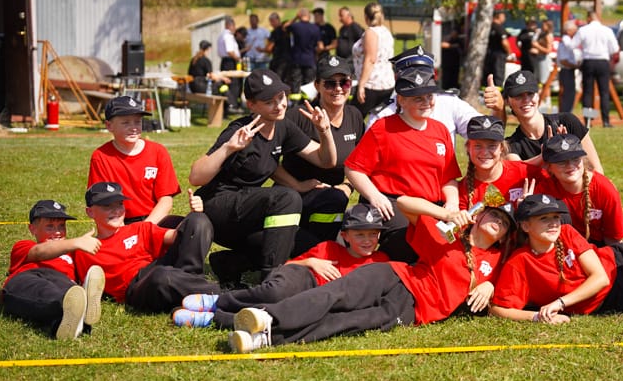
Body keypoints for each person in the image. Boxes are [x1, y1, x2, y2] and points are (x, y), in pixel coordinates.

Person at [225, 197, 515, 352]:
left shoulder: (499, 259)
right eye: (493, 214)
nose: (496, 222)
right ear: (479, 216)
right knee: (335, 295)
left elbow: (507, 291)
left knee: (348, 322)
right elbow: (404, 203)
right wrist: (446, 214)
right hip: (395, 276)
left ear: (505, 237)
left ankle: (263, 338)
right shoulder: (446, 236)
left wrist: (488, 284)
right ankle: (267, 318)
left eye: (503, 223)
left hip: (412, 310)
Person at [189, 70, 337, 287]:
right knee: (287, 198)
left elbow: (325, 161)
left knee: (302, 243)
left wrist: (324, 132)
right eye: (269, 101)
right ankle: (272, 281)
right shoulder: (240, 130)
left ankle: (230, 263)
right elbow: (195, 176)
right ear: (252, 105)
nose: (279, 105)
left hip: (247, 212)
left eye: (281, 98)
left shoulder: (283, 126)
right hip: (218, 209)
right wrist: (229, 148)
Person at [172, 204, 390, 329]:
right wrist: (310, 262)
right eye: (359, 234)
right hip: (302, 280)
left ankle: (211, 319)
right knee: (275, 292)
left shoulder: (381, 261)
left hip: (318, 301)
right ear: (345, 236)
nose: (367, 240)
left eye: (373, 234)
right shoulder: (329, 249)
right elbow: (284, 267)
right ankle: (217, 301)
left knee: (283, 315)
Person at [490, 194, 623, 325]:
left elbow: (600, 277)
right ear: (525, 226)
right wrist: (537, 317)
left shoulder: (566, 232)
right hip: (616, 297)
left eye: (555, 217)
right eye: (543, 218)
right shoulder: (520, 262)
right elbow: (499, 309)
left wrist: (560, 304)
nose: (553, 223)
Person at [345, 65, 462, 263]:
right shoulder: (383, 127)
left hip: (433, 207)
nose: (426, 103)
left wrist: (452, 203)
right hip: (393, 204)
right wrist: (375, 196)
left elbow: (449, 177)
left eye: (429, 97)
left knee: (452, 248)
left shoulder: (440, 130)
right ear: (401, 100)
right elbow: (354, 168)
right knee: (410, 244)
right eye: (418, 98)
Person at [73, 182, 219, 313]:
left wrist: (194, 215)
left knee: (198, 221)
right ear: (90, 212)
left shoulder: (139, 228)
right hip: (138, 287)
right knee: (161, 276)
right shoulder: (84, 248)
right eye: (107, 206)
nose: (116, 210)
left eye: (119, 204)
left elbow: (177, 236)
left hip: (159, 269)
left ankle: (190, 289)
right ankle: (221, 296)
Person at [272, 56, 365, 245]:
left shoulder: (355, 116)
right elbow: (267, 159)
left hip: (332, 200)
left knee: (335, 201)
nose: (338, 89)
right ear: (317, 85)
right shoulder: (296, 117)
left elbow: (362, 162)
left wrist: (347, 186)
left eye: (344, 82)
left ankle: (322, 248)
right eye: (330, 83)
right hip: (292, 199)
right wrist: (296, 185)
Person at [1, 200, 104, 340]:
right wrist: (75, 242)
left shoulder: (73, 254)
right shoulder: (23, 246)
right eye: (50, 226)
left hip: (63, 282)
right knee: (43, 291)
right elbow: (39, 252)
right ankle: (76, 311)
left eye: (61, 226)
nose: (57, 232)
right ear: (32, 229)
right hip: (28, 277)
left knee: (69, 290)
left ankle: (73, 312)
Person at [486, 69, 604, 173]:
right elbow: (517, 169)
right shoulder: (512, 146)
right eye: (518, 96)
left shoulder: (567, 122)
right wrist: (545, 156)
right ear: (507, 101)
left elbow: (597, 170)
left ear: (538, 95)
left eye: (530, 93)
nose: (526, 100)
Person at [88, 96, 181, 226]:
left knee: (195, 224)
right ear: (109, 126)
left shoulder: (158, 151)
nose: (133, 128)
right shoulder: (101, 157)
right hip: (120, 224)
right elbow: (101, 203)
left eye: (137, 122)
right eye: (126, 122)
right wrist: (127, 234)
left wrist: (145, 228)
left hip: (154, 221)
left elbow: (166, 200)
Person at [368, 45, 483, 142]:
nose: (421, 82)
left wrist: (498, 109)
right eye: (417, 97)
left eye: (426, 80)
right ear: (398, 79)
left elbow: (484, 130)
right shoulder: (382, 116)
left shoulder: (449, 103)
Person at [534, 134, 623, 246]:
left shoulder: (604, 188)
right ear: (548, 167)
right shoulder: (544, 190)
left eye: (575, 159)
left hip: (599, 249)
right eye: (561, 162)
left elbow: (614, 241)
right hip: (560, 248)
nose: (570, 166)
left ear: (583, 160)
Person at [458, 115, 537, 210]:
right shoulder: (462, 190)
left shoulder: (524, 172)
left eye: (492, 146)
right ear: (468, 148)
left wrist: (530, 209)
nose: (485, 152)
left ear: (501, 148)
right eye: (478, 146)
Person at [572, 11, 619, 127]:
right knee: (604, 92)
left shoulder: (583, 30)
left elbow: (573, 45)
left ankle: (588, 121)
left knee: (587, 92)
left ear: (589, 18)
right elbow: (614, 48)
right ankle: (606, 121)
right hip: (603, 61)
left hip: (588, 61)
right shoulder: (607, 30)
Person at [352, 1, 395, 117]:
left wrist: (361, 85)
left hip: (372, 84)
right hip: (387, 82)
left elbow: (370, 59)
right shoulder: (386, 31)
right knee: (379, 118)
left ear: (366, 17)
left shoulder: (371, 33)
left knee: (354, 117)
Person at [285, 8, 320, 96]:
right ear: (309, 16)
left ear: (300, 15)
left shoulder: (295, 26)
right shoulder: (315, 28)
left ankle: (295, 105)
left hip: (296, 60)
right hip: (310, 60)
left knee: (295, 84)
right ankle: (308, 105)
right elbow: (319, 46)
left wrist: (295, 17)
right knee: (309, 85)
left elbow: (285, 27)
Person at [216, 16, 242, 113]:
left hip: (225, 61)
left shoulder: (221, 35)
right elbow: (230, 51)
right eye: (233, 26)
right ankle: (232, 105)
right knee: (233, 84)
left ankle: (227, 106)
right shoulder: (228, 36)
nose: (234, 28)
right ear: (229, 25)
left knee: (226, 84)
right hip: (230, 62)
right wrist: (238, 59)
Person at [556, 20, 580, 114]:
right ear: (568, 30)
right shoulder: (566, 42)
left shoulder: (567, 41)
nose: (576, 32)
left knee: (569, 93)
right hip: (566, 70)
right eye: (574, 30)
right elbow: (563, 60)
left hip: (568, 70)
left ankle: (567, 112)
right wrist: (576, 65)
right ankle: (566, 113)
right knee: (568, 94)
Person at [483, 10, 511, 87]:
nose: (504, 18)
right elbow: (504, 43)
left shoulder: (487, 27)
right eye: (503, 16)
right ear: (499, 16)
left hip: (488, 55)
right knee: (498, 76)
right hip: (499, 56)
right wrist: (510, 53)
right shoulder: (499, 28)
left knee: (488, 76)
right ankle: (497, 93)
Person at [265, 12, 292, 84]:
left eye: (271, 22)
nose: (271, 24)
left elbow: (269, 48)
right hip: (289, 59)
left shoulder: (275, 32)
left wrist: (264, 49)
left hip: (278, 60)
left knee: (276, 81)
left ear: (275, 20)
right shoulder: (286, 29)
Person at [535, 19, 554, 87]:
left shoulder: (548, 36)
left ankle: (546, 97)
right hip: (539, 58)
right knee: (538, 79)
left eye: (544, 25)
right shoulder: (542, 34)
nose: (542, 26)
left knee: (545, 81)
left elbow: (548, 50)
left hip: (544, 60)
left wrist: (537, 46)